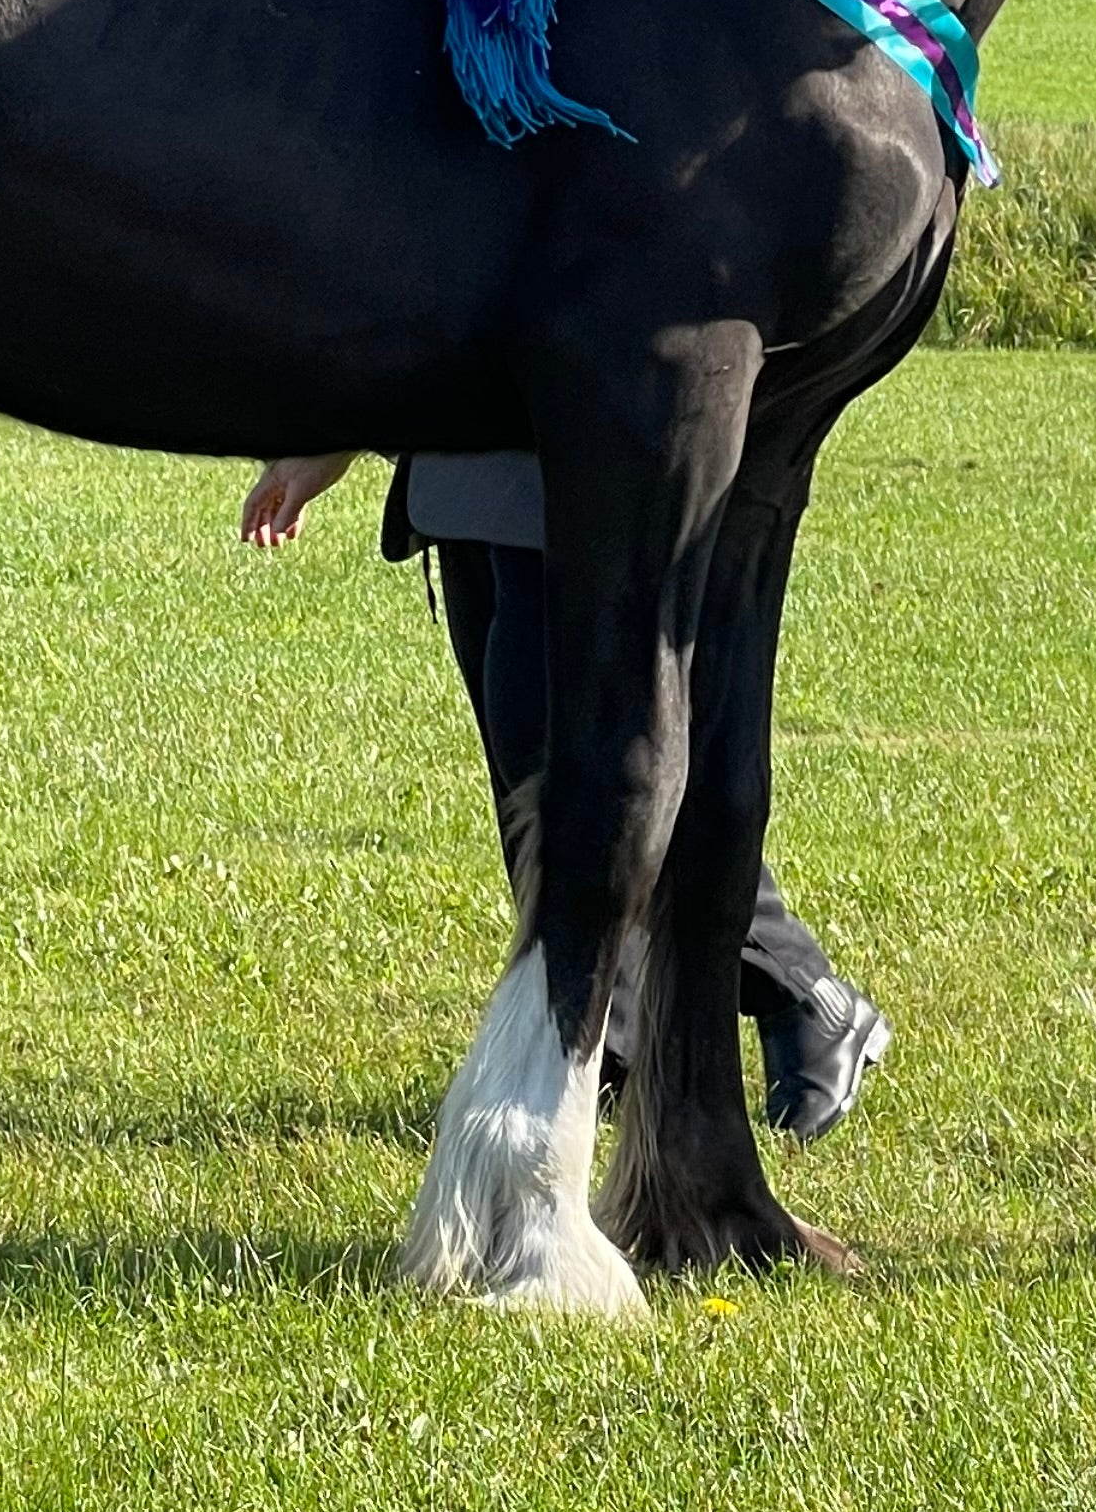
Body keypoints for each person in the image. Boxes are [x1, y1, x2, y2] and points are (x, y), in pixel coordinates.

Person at [242, 450, 892, 1139]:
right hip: (459, 455)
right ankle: (610, 1036)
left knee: (588, 773)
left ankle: (803, 994)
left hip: (564, 444)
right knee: (531, 781)